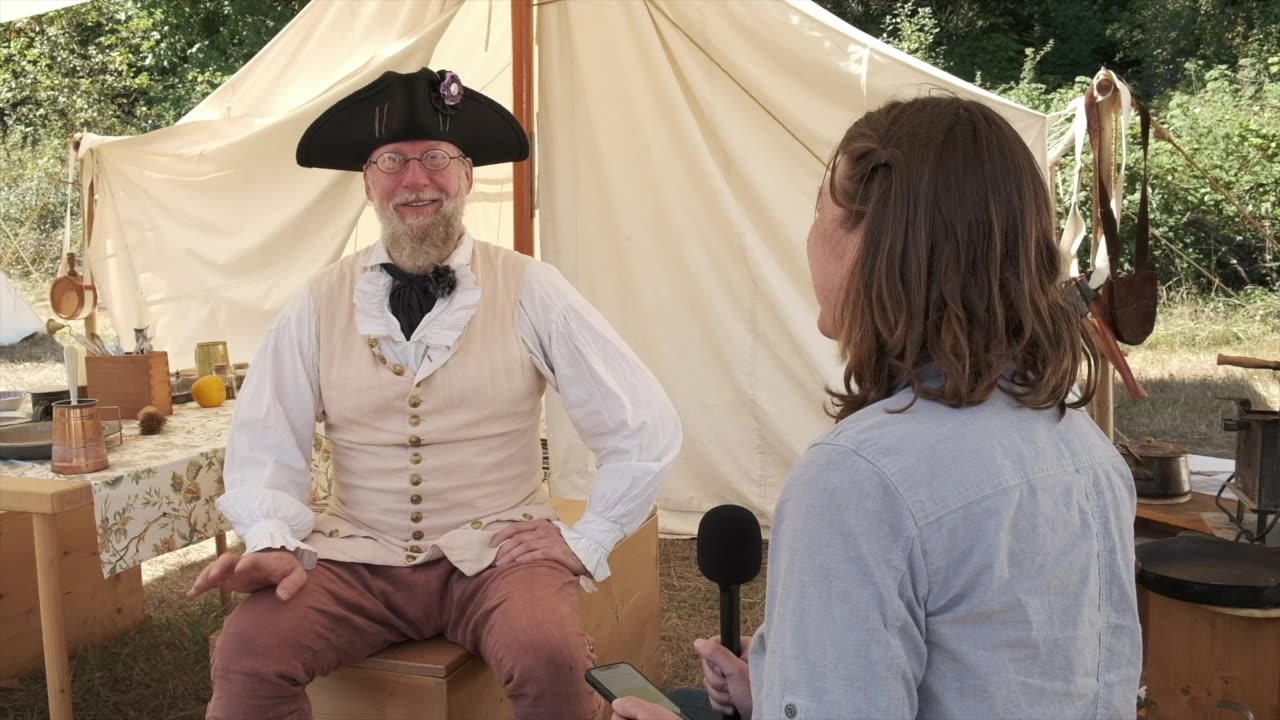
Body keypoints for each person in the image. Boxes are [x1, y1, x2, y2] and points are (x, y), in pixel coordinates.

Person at [612, 95, 1142, 720]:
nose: (809, 237)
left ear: (872, 241)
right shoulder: (1088, 451)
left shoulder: (859, 480)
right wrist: (786, 680)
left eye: (819, 209)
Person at [188, 67, 682, 720]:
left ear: (468, 175)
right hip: (356, 556)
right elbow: (266, 441)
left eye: (435, 159)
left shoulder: (532, 288)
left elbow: (642, 424)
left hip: (498, 552)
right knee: (246, 652)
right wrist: (274, 539)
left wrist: (583, 539)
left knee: (549, 656)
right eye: (392, 161)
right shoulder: (316, 302)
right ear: (367, 181)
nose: (415, 180)